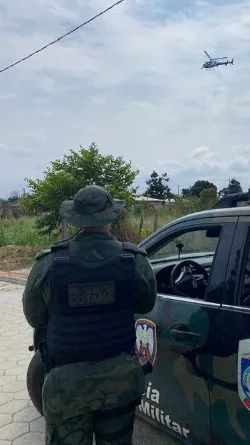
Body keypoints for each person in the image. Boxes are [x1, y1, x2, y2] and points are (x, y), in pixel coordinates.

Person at [22, 185, 157, 445]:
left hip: (67, 386)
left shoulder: (48, 263)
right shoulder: (134, 260)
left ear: (76, 219)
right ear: (110, 217)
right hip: (120, 380)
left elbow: (35, 319)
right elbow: (146, 304)